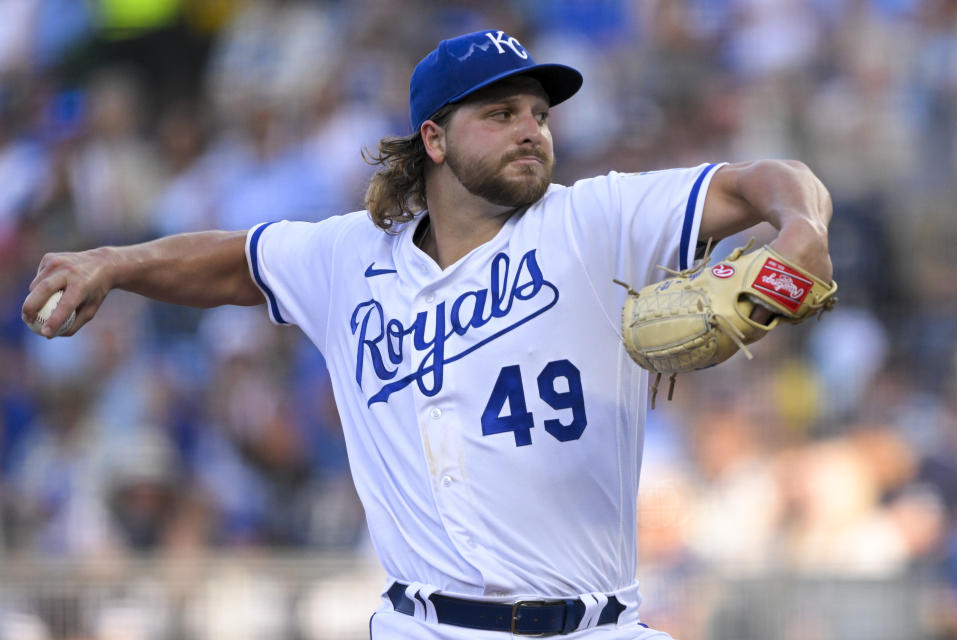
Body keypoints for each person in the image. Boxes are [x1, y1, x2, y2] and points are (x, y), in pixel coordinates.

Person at [23, 29, 833, 639]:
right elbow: (236, 260)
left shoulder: (597, 219)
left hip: (596, 624)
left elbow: (764, 181)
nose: (531, 129)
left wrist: (800, 227)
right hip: (423, 626)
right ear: (434, 140)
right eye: (500, 112)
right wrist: (114, 261)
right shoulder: (349, 257)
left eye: (538, 113)